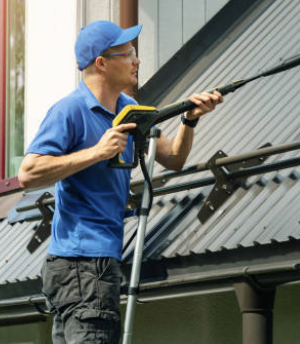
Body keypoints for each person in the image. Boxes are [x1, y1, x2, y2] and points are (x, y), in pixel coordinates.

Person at [18, 20, 222, 343]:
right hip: (83, 266)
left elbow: (174, 158)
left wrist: (189, 120)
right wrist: (96, 152)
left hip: (89, 266)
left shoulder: (130, 111)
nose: (136, 60)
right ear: (102, 63)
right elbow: (28, 173)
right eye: (128, 54)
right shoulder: (69, 111)